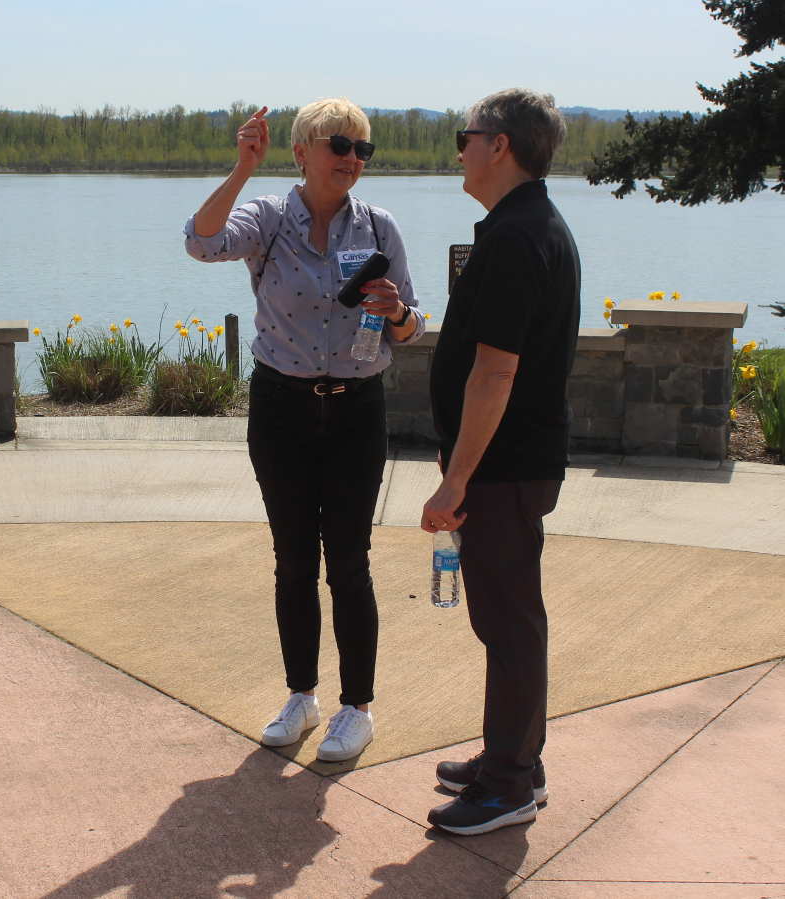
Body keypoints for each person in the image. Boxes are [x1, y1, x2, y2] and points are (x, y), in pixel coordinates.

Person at [184, 98, 424, 761]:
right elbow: (200, 241)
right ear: (302, 151)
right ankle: (302, 696)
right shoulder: (265, 217)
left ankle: (358, 707)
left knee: (348, 562)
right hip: (281, 409)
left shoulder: (379, 226)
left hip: (355, 411)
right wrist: (239, 168)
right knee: (293, 562)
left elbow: (413, 326)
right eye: (339, 144)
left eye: (362, 150)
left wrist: (398, 313)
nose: (352, 158)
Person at [421, 88, 580, 835]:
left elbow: (495, 373)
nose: (461, 148)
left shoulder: (519, 236)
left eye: (468, 135)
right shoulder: (524, 225)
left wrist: (456, 478)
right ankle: (512, 759)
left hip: (504, 466)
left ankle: (509, 784)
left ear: (502, 145)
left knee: (510, 624)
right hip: (510, 463)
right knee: (509, 619)